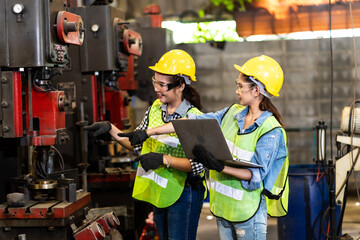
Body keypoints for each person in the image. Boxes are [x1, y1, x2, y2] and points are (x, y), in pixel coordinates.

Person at [121, 55, 289, 240]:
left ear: (256, 90)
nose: (237, 91)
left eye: (240, 86)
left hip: (248, 212)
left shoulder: (271, 131)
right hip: (224, 210)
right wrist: (148, 132)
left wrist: (219, 166)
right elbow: (190, 122)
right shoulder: (231, 114)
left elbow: (255, 175)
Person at [84, 49, 206, 240]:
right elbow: (137, 143)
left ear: (180, 85)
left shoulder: (193, 118)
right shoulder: (155, 110)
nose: (156, 88)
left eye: (162, 84)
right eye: (155, 82)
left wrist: (164, 160)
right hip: (160, 193)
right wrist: (110, 129)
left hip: (184, 194)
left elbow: (199, 165)